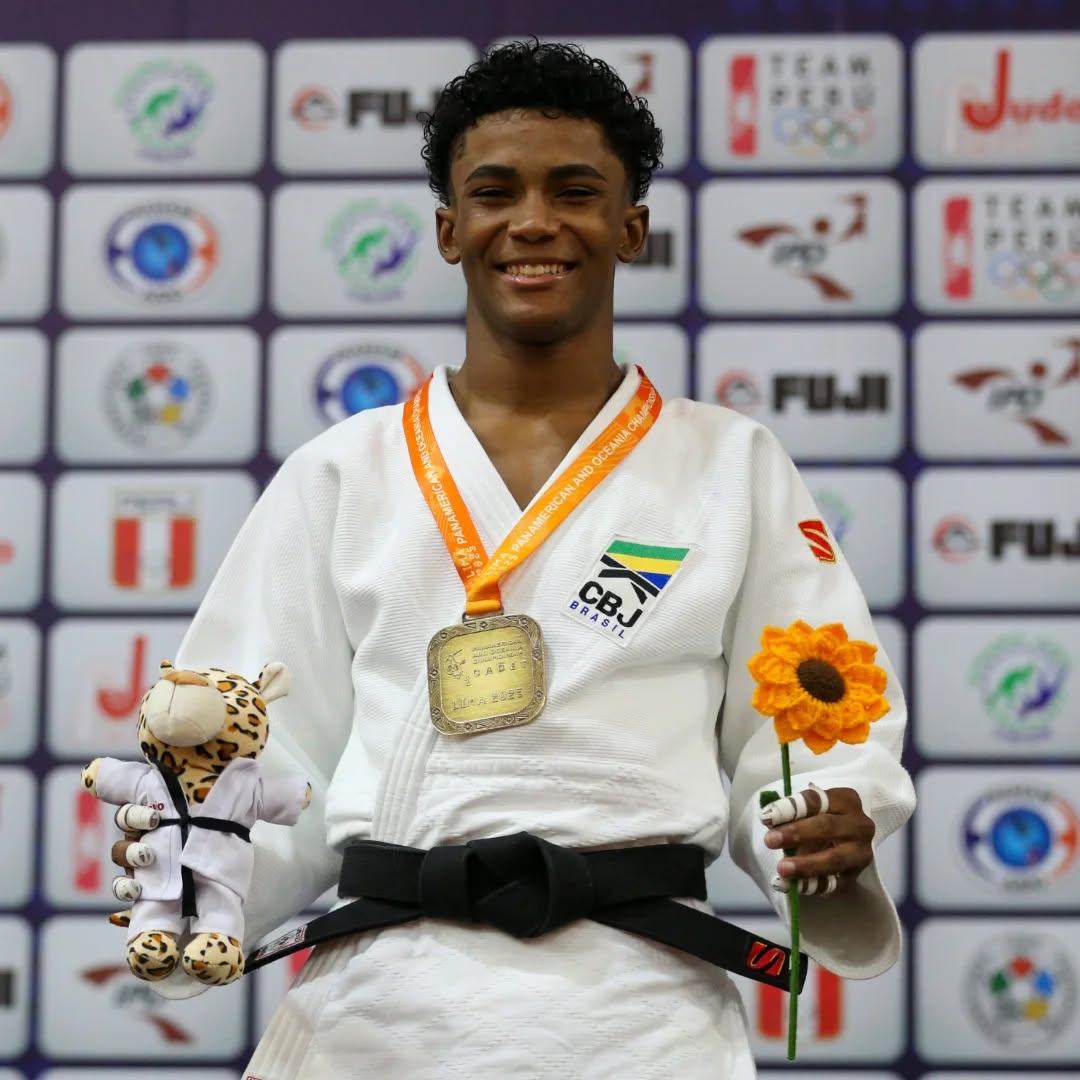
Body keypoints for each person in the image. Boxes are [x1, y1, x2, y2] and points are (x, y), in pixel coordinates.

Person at [112, 39, 915, 1078]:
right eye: (495, 193)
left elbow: (811, 737)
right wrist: (194, 875)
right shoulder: (342, 471)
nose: (533, 222)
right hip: (377, 1014)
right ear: (450, 230)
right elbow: (258, 747)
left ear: (631, 227)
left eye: (575, 192)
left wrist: (822, 835)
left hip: (642, 1014)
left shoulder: (730, 466)